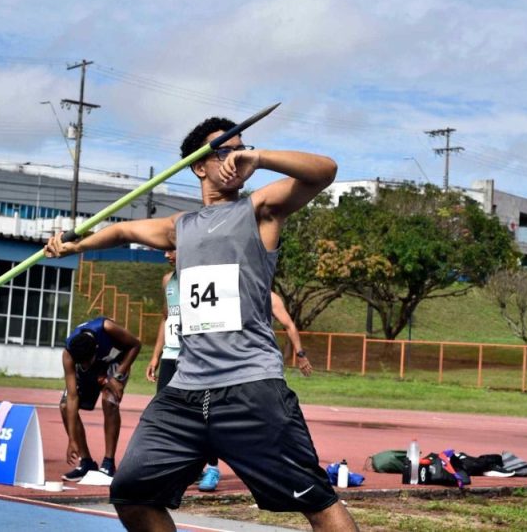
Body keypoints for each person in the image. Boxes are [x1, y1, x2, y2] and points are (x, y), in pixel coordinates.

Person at [46, 116, 357, 532]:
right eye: (226, 150)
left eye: (243, 148)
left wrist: (260, 158)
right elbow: (121, 231)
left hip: (250, 386)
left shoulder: (259, 209)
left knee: (316, 500)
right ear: (198, 166)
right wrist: (74, 245)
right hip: (185, 393)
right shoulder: (180, 228)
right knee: (131, 493)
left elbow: (325, 171)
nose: (237, 156)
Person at [146, 252, 313, 493]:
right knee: (170, 414)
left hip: (239, 363)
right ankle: (185, 466)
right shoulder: (170, 281)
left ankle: (273, 467)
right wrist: (156, 355)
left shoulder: (261, 294)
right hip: (177, 355)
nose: (166, 254)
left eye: (171, 249)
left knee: (247, 417)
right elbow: (167, 317)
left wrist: (300, 354)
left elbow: (288, 325)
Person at [60, 316, 141, 481]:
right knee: (65, 406)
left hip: (115, 362)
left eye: (86, 362)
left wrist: (117, 376)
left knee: (109, 401)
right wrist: (72, 439)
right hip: (91, 366)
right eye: (81, 363)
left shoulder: (107, 328)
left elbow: (136, 345)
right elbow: (73, 397)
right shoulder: (69, 354)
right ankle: (86, 462)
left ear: (96, 348)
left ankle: (108, 463)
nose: (84, 366)